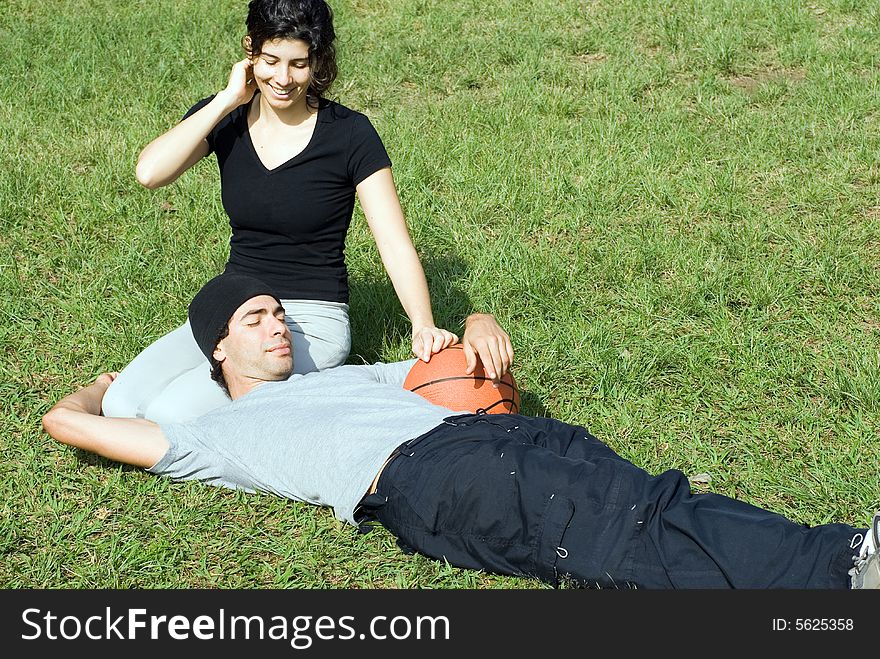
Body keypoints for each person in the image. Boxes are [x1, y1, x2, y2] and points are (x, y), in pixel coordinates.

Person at [43, 273, 879, 589]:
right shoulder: (216, 435)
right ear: (217, 347)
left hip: (507, 439)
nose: (278, 326)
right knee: (623, 544)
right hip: (428, 479)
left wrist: (476, 316)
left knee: (658, 502)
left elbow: (444, 356)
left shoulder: (346, 374)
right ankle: (834, 583)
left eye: (279, 313)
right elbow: (66, 422)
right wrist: (109, 384)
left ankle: (844, 559)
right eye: (255, 318)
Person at [102, 0, 463, 424]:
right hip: (235, 308)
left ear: (317, 62)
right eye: (270, 61)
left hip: (311, 317)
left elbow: (393, 242)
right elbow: (149, 173)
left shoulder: (350, 134)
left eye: (299, 64)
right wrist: (225, 101)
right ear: (250, 51)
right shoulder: (228, 119)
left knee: (170, 415)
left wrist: (422, 323)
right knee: (121, 406)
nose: (283, 78)